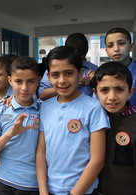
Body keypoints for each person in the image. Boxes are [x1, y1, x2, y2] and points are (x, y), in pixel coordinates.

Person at [36, 46, 109, 195]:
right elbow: (41, 152)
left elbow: (97, 161)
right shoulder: (45, 107)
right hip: (50, 190)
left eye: (68, 73)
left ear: (80, 73)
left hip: (83, 191)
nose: (62, 80)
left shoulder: (93, 107)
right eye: (55, 75)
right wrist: (43, 191)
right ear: (48, 77)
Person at [0, 56, 41, 194]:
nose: (24, 88)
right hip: (4, 183)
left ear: (38, 80)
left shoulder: (45, 110)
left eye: (30, 81)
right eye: (18, 81)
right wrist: (9, 134)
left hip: (35, 185)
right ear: (10, 81)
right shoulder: (0, 110)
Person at [92, 62, 136, 195]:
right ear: (96, 93)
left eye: (119, 89)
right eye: (104, 90)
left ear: (130, 92)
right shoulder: (90, 120)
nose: (112, 97)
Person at [39, 33, 98, 100]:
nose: (78, 62)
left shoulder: (93, 69)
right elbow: (42, 95)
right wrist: (68, 86)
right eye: (56, 75)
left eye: (81, 58)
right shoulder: (53, 68)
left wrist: (96, 81)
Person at [105, 27, 136, 106]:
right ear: (107, 52)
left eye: (121, 43)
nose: (116, 49)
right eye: (110, 45)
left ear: (131, 46)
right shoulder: (103, 73)